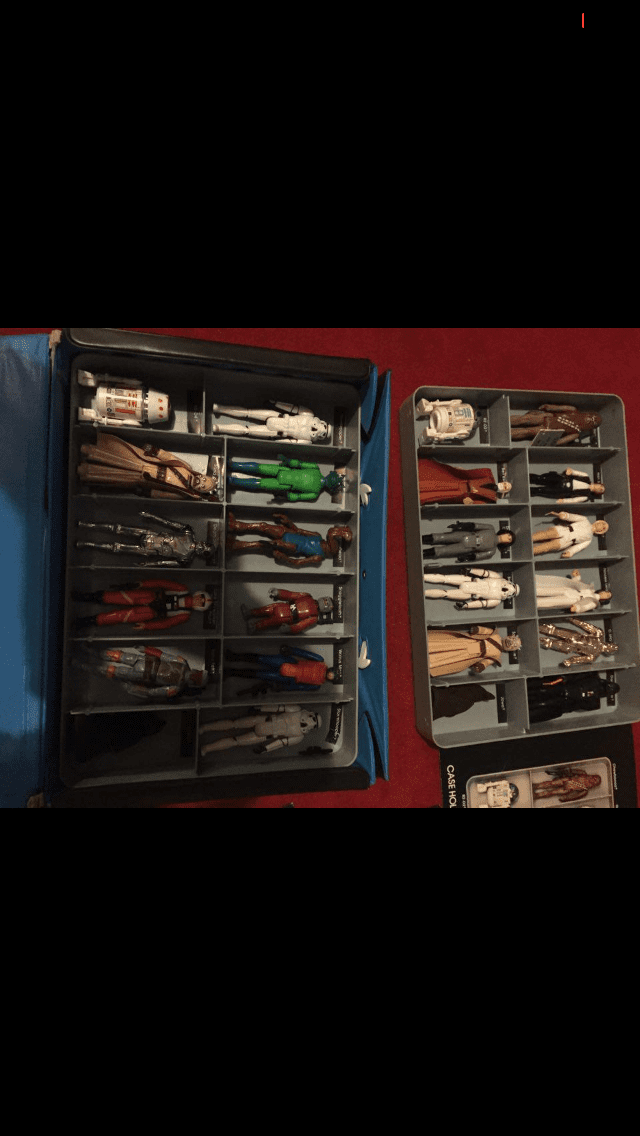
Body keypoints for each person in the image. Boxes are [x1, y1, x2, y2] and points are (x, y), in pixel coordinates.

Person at [77, 432, 220, 500]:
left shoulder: (185, 493)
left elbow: (164, 495)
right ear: (202, 474)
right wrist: (156, 451)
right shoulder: (185, 467)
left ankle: (87, 471)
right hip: (146, 463)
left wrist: (148, 493)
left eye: (203, 486)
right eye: (204, 479)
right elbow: (170, 458)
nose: (200, 482)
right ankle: (91, 451)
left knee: (116, 475)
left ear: (201, 491)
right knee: (119, 458)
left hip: (145, 479)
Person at [76, 512, 215, 566]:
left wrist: (148, 564)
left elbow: (164, 563)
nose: (201, 546)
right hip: (150, 534)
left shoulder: (186, 559)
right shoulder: (188, 532)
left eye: (204, 550)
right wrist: (152, 517)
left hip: (149, 551)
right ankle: (89, 525)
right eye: (205, 544)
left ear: (201, 554)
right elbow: (167, 522)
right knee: (118, 528)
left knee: (116, 547)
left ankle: (88, 544)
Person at [79, 644, 209, 700]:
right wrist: (146, 650)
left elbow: (152, 692)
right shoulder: (182, 663)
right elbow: (162, 655)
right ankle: (88, 651)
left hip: (140, 675)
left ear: (194, 684)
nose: (194, 676)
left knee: (110, 671)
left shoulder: (176, 688)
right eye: (198, 674)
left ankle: (83, 666)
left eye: (197, 679)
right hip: (143, 660)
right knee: (114, 655)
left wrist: (134, 689)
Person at [73, 579, 212, 630]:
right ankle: (87, 597)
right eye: (201, 598)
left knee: (120, 616)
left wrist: (147, 626)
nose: (198, 601)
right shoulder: (182, 589)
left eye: (201, 603)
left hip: (150, 613)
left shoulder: (184, 615)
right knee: (117, 596)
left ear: (200, 608)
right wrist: (142, 584)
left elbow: (165, 624)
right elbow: (161, 583)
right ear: (198, 594)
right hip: (147, 597)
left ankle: (87, 621)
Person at [226, 512, 352, 567]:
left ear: (330, 549)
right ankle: (235, 526)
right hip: (288, 533)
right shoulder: (317, 536)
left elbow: (297, 562)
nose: (327, 541)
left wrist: (284, 558)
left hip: (290, 546)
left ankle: (235, 546)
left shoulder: (318, 557)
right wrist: (289, 522)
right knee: (263, 526)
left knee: (261, 544)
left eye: (330, 542)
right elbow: (299, 531)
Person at [199, 706, 321, 755]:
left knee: (236, 740)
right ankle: (204, 727)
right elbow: (279, 708)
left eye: (314, 723)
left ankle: (206, 748)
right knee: (234, 724)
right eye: (314, 718)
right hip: (264, 720)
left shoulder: (300, 736)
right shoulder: (297, 710)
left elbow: (281, 742)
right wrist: (261, 708)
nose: (312, 721)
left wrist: (266, 749)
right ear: (312, 714)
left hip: (265, 735)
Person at [228, 455, 343, 502]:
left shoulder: (315, 468)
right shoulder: (315, 494)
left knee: (259, 469)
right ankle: (234, 480)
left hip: (284, 473)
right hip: (284, 484)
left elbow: (297, 463)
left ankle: (234, 466)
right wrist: (286, 496)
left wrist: (288, 461)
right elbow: (296, 497)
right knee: (259, 482)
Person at [224, 645, 335, 691]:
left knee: (259, 674)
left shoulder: (317, 685)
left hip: (286, 678)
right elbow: (304, 654)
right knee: (261, 659)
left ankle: (231, 672)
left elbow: (299, 687)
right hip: (288, 663)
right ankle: (234, 657)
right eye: (335, 672)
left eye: (335, 676)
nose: (332, 675)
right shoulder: (320, 660)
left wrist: (284, 687)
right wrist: (291, 650)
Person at [211, 401, 330, 443]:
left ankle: (219, 428)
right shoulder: (309, 414)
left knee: (247, 431)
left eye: (323, 433)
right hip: (278, 416)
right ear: (323, 423)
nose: (321, 429)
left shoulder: (308, 440)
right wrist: (277, 403)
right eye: (324, 427)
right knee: (248, 412)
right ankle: (220, 408)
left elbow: (291, 442)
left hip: (277, 432)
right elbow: (292, 408)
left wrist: (278, 442)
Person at [427, 626, 521, 677]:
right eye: (513, 639)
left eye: (514, 646)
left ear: (511, 650)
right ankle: (429, 646)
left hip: (468, 656)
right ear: (509, 636)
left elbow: (487, 662)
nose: (511, 642)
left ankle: (432, 662)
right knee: (447, 644)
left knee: (450, 658)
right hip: (467, 642)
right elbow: (485, 631)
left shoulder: (497, 655)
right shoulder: (495, 634)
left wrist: (481, 666)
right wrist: (477, 629)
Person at [527, 672, 619, 722]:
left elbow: (577, 706)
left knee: (542, 706)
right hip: (560, 687)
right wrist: (561, 679)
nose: (603, 688)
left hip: (562, 703)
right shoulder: (593, 676)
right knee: (539, 690)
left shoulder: (594, 704)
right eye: (606, 686)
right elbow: (574, 676)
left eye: (607, 690)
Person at [418, 458, 511, 506]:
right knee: (441, 483)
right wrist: (462, 471)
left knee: (441, 494)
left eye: (505, 488)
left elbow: (480, 502)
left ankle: (423, 495)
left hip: (462, 494)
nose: (503, 486)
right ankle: (421, 485)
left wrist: (471, 502)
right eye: (505, 484)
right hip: (461, 482)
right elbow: (473, 474)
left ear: (504, 492)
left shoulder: (492, 498)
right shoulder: (489, 476)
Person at [241, 590, 335, 634]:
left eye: (327, 603)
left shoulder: (314, 617)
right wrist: (278, 593)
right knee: (265, 609)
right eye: (325, 600)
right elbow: (292, 595)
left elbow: (300, 626)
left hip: (286, 617)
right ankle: (249, 613)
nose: (324, 602)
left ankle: (254, 627)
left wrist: (289, 629)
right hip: (282, 606)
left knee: (268, 622)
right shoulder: (307, 596)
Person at [424, 569, 519, 609]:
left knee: (445, 593)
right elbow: (484, 573)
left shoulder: (497, 600)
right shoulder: (497, 577)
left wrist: (467, 605)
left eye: (513, 591)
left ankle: (424, 593)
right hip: (469, 580)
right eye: (513, 587)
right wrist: (471, 570)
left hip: (469, 593)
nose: (510, 589)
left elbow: (482, 603)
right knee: (445, 578)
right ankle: (424, 577)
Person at [538, 619, 619, 666]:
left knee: (549, 643)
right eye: (611, 645)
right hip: (574, 635)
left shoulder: (593, 656)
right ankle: (538, 627)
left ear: (608, 652)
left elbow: (579, 659)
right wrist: (574, 620)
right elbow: (585, 625)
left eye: (610, 648)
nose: (609, 646)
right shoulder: (599, 634)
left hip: (570, 647)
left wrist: (570, 661)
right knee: (552, 629)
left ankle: (538, 641)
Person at [510, 404, 602, 444]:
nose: (589, 419)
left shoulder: (576, 433)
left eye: (592, 422)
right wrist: (548, 407)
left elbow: (560, 441)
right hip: (548, 417)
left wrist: (546, 441)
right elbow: (558, 408)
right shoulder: (573, 410)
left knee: (527, 431)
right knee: (524, 419)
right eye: (590, 416)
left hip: (547, 430)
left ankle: (507, 434)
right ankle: (506, 421)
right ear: (588, 413)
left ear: (590, 427)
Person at [423, 522, 515, 562]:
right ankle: (422, 538)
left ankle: (423, 553)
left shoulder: (492, 551)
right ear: (505, 532)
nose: (507, 537)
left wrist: (467, 558)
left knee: (442, 551)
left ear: (507, 543)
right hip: (465, 535)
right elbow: (475, 525)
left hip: (466, 548)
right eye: (508, 535)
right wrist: (461, 525)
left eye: (509, 539)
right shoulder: (490, 528)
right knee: (441, 537)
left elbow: (478, 556)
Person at [532, 511, 609, 557]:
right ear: (598, 521)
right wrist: (565, 516)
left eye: (603, 527)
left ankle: (531, 551)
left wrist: (570, 552)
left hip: (566, 541)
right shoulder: (585, 520)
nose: (601, 526)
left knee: (546, 547)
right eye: (602, 524)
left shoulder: (589, 539)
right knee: (542, 535)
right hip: (564, 530)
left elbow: (578, 548)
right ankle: (529, 538)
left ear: (601, 531)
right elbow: (573, 517)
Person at [535, 570, 611, 612]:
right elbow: (578, 585)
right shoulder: (590, 589)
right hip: (570, 591)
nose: (604, 593)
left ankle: (535, 603)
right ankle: (534, 591)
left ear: (605, 600)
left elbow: (585, 606)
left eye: (607, 595)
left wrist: (577, 608)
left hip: (573, 600)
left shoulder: (594, 602)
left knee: (550, 602)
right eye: (605, 592)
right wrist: (577, 577)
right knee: (548, 590)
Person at [529, 468, 605, 503]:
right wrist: (570, 471)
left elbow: (574, 500)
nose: (599, 488)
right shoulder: (586, 476)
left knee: (541, 491)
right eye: (600, 486)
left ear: (596, 493)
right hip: (561, 479)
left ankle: (529, 492)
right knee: (541, 478)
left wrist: (564, 501)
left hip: (562, 490)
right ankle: (528, 478)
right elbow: (575, 472)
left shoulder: (586, 496)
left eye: (600, 490)